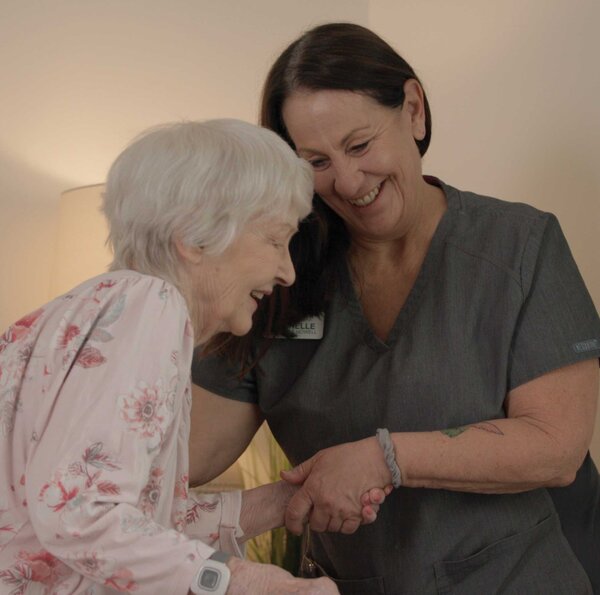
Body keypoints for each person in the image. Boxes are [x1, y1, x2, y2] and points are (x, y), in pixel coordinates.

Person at [189, 23, 600, 594]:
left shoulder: (519, 246)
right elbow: (186, 454)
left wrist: (384, 458)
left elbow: (556, 448)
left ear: (413, 110)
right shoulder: (281, 275)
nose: (348, 180)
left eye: (359, 145)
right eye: (316, 161)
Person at [0, 118, 362, 594]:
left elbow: (135, 524)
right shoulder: (151, 305)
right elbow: (80, 513)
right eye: (276, 241)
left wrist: (284, 500)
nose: (288, 272)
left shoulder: (97, 308)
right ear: (194, 239)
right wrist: (246, 582)